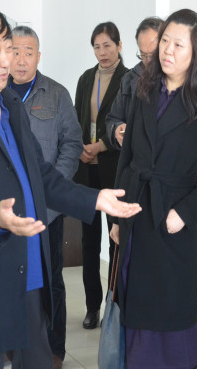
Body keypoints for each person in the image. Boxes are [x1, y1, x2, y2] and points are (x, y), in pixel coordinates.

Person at [0, 5, 139, 369]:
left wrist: (94, 199)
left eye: (9, 48)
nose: (8, 60)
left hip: (29, 275)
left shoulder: (9, 104)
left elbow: (42, 175)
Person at [110, 9, 197, 369]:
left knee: (168, 308)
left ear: (196, 52)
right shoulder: (144, 89)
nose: (167, 50)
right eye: (165, 40)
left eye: (178, 44)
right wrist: (116, 215)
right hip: (135, 211)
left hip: (172, 215)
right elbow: (128, 156)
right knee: (134, 301)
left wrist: (186, 212)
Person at [9, 26, 83, 368]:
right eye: (15, 51)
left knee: (51, 281)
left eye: (28, 52)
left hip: (46, 209)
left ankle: (54, 349)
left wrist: (54, 187)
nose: (21, 60)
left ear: (38, 56)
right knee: (10, 279)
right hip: (7, 209)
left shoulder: (57, 94)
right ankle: (12, 345)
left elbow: (72, 144)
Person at [73, 21, 128, 329]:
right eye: (97, 46)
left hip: (113, 170)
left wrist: (100, 145)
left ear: (119, 46)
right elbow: (77, 117)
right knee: (89, 241)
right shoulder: (86, 78)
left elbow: (128, 124)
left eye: (107, 45)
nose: (102, 52)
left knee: (115, 238)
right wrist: (80, 148)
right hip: (87, 170)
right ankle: (92, 306)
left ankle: (113, 304)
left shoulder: (128, 79)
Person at [105, 16, 163, 149]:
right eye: (143, 55)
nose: (148, 61)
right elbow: (112, 119)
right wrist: (117, 129)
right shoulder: (129, 79)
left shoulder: (178, 80)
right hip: (136, 157)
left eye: (153, 54)